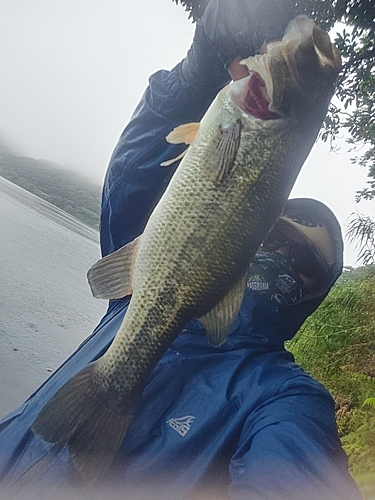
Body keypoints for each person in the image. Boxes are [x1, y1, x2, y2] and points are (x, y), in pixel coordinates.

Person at [0, 1, 363, 499]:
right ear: (254, 240)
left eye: (302, 260)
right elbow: (135, 170)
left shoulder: (279, 395)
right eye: (275, 238)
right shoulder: (136, 298)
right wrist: (197, 71)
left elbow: (296, 473)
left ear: (315, 295)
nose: (280, 256)